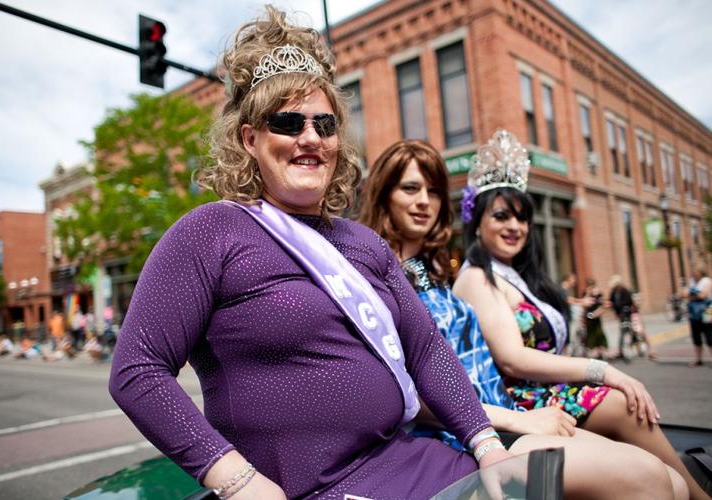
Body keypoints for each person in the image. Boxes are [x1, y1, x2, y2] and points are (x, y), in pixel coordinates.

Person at [109, 7, 514, 499]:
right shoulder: (210, 231)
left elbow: (426, 349)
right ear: (250, 139)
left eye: (324, 123)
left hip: (409, 459)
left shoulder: (365, 243)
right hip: (309, 491)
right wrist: (235, 479)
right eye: (288, 122)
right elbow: (138, 369)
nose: (310, 138)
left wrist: (487, 442)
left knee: (621, 474)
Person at [360, 138, 687, 499]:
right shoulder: (373, 277)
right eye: (410, 188)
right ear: (384, 194)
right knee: (649, 478)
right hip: (463, 436)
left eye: (434, 191)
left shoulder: (433, 271)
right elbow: (402, 393)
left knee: (671, 481)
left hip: (501, 414)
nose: (424, 200)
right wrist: (516, 420)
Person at [453, 129, 708, 499]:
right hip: (519, 401)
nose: (514, 226)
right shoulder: (477, 276)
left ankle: (689, 488)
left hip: (543, 391)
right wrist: (603, 370)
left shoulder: (522, 277)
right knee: (622, 403)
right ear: (477, 221)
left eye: (522, 218)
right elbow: (512, 359)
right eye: (502, 215)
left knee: (670, 479)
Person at [607, 274, 654, 360]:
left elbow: (629, 303)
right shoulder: (613, 292)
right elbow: (612, 303)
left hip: (632, 313)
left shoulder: (625, 291)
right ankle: (620, 351)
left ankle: (651, 349)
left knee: (639, 330)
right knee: (622, 331)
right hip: (622, 315)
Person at [684, 264, 712, 366]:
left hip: (708, 311)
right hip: (693, 313)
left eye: (695, 271)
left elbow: (703, 295)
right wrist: (695, 294)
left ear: (701, 272)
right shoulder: (692, 282)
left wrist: (692, 294)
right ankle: (698, 359)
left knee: (709, 335)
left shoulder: (707, 281)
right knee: (696, 336)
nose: (693, 273)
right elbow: (684, 294)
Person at [582, 278, 608, 359]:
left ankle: (601, 351)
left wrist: (597, 313)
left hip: (596, 317)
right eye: (589, 286)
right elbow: (583, 304)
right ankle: (592, 351)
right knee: (590, 334)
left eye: (592, 286)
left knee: (599, 333)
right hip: (588, 317)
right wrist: (587, 294)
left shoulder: (598, 294)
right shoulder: (585, 294)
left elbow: (602, 305)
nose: (590, 288)